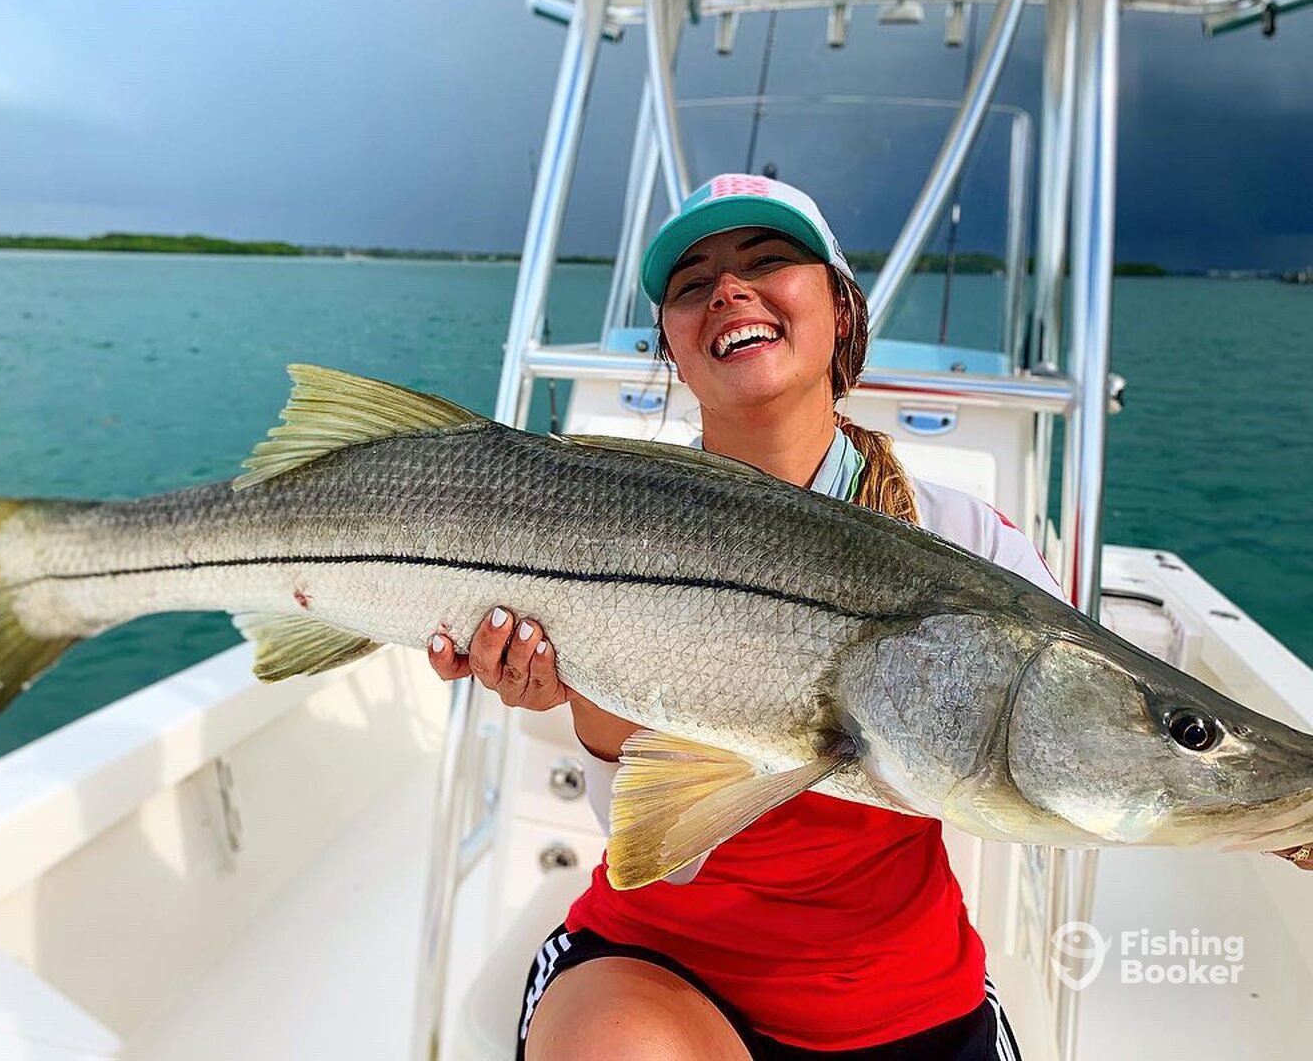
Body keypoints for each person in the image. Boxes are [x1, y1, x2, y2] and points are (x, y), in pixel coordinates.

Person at [426, 174, 1311, 1061]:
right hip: (657, 966)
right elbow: (666, 843)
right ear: (675, 349)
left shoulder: (962, 537)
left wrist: (1285, 816)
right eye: (693, 285)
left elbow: (1092, 745)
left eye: (768, 260)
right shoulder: (610, 521)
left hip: (905, 996)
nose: (729, 290)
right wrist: (575, 685)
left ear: (841, 311)